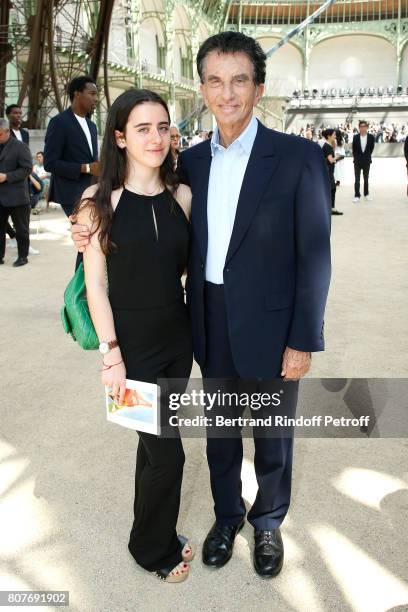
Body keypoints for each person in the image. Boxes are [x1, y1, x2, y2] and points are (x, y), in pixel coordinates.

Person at [72, 31, 331, 579]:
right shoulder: (189, 164)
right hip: (207, 318)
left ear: (258, 88)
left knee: (272, 430)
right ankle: (226, 516)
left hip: (272, 323)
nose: (227, 93)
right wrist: (85, 215)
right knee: (219, 430)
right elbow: (140, 205)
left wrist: (303, 338)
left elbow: (314, 258)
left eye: (240, 80)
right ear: (203, 88)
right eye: (216, 81)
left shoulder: (300, 158)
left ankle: (267, 523)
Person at [74, 89, 194, 583]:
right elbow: (95, 285)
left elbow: (182, 270)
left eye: (162, 127)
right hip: (130, 348)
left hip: (177, 341)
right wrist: (111, 355)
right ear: (120, 137)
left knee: (153, 449)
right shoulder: (96, 200)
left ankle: (150, 532)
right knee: (169, 454)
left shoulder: (182, 196)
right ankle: (151, 550)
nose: (156, 138)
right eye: (142, 129)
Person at [44, 75, 99, 217]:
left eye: (96, 94)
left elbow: (91, 159)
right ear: (77, 94)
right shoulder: (59, 123)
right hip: (71, 193)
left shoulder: (92, 126)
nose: (96, 99)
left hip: (93, 190)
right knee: (86, 234)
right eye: (92, 93)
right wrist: (86, 168)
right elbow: (50, 163)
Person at [0, 118, 33, 266]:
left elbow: (27, 169)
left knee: (21, 229)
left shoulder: (20, 147)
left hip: (17, 196)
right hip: (1, 197)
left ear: (7, 132)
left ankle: (22, 256)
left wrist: (7, 176)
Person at [322, 129, 344, 216]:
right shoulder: (328, 147)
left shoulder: (327, 146)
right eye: (334, 135)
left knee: (331, 189)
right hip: (328, 172)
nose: (335, 137)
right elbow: (331, 160)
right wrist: (338, 157)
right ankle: (331, 208)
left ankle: (330, 208)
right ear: (329, 136)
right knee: (332, 189)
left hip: (328, 171)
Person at [352, 120, 375, 202]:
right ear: (359, 128)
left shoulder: (371, 137)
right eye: (361, 126)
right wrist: (356, 157)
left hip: (366, 161)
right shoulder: (355, 137)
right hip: (357, 161)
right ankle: (357, 195)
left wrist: (367, 156)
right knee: (357, 179)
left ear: (367, 127)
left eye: (364, 126)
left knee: (366, 179)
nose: (362, 128)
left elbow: (371, 148)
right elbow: (354, 149)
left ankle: (366, 194)